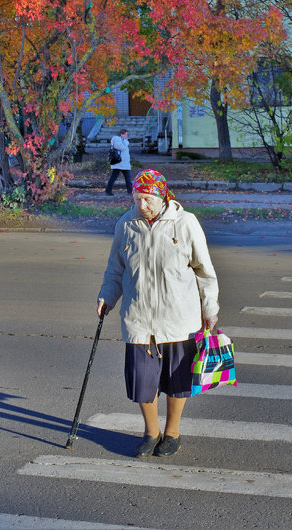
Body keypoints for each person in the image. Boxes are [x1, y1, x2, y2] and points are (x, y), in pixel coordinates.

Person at [97, 169, 219, 459]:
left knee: (177, 381)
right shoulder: (126, 225)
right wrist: (107, 296)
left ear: (162, 195)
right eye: (137, 198)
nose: (142, 205)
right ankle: (151, 433)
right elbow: (116, 269)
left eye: (147, 198)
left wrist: (209, 308)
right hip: (139, 318)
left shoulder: (185, 223)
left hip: (179, 318)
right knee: (142, 381)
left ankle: (172, 433)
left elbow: (204, 270)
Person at [105, 129, 132, 196]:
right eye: (126, 134)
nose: (127, 136)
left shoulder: (122, 140)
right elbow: (121, 147)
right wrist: (126, 141)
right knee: (114, 177)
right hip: (118, 162)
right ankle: (108, 190)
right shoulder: (117, 139)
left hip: (123, 163)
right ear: (122, 134)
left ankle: (130, 191)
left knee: (128, 177)